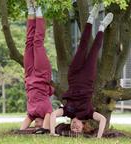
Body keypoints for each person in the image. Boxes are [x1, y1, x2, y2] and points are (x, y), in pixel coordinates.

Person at [50, 4, 113, 138]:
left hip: (73, 75)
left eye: (73, 128)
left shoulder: (67, 112)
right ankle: (102, 26)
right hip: (87, 79)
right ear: (83, 126)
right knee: (94, 52)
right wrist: (99, 137)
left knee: (82, 46)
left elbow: (53, 115)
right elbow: (102, 119)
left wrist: (51, 132)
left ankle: (90, 18)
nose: (75, 127)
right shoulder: (88, 113)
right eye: (78, 129)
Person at [20, 0, 54, 133]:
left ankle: (30, 10)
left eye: (35, 126)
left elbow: (22, 130)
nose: (36, 125)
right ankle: (38, 8)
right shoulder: (47, 110)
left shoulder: (31, 113)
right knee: (37, 42)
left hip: (29, 74)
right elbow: (46, 126)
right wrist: (44, 131)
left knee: (29, 43)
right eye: (38, 126)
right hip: (42, 74)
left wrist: (26, 131)